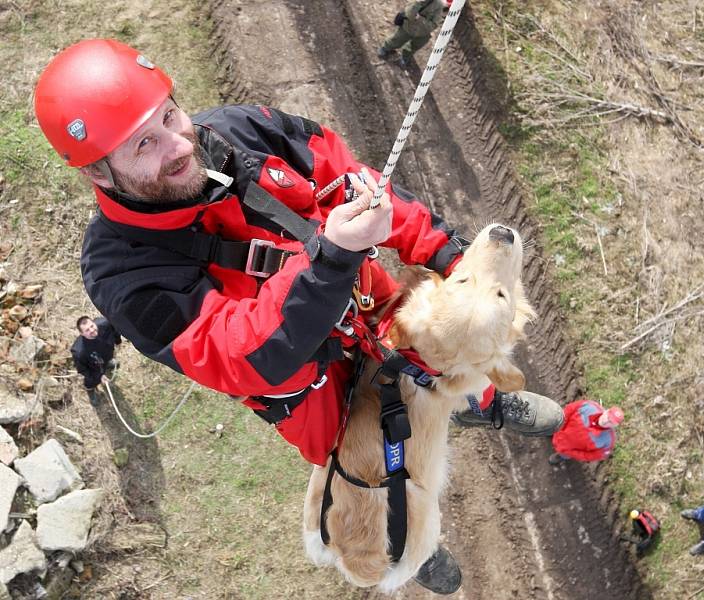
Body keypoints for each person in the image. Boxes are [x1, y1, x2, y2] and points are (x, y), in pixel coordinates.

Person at [34, 38, 560, 594]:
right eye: (144, 143)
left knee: (442, 354)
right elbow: (242, 353)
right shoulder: (121, 272)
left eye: (169, 115)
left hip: (368, 303)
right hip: (313, 390)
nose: (178, 144)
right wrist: (329, 256)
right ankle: (407, 543)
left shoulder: (245, 132)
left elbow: (348, 179)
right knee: (371, 475)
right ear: (99, 174)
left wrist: (445, 250)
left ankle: (483, 402)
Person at [377, 0, 450, 68]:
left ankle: (405, 57)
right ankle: (386, 47)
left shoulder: (439, 5)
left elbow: (434, 25)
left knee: (414, 46)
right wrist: (418, 3)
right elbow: (409, 13)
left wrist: (420, 19)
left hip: (422, 33)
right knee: (397, 38)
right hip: (408, 27)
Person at [548, 400, 624, 464]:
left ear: (615, 425)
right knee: (550, 429)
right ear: (606, 411)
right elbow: (569, 410)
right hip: (559, 430)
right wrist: (559, 425)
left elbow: (592, 456)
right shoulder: (588, 406)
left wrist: (571, 453)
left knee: (564, 455)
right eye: (607, 417)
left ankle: (560, 455)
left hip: (567, 450)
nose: (606, 421)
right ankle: (550, 433)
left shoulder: (607, 442)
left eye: (611, 422)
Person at [70, 315, 121, 407]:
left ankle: (108, 364)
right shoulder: (79, 351)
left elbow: (115, 330)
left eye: (92, 326)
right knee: (91, 381)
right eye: (87, 330)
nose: (92, 330)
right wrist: (99, 376)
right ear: (82, 334)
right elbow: (83, 370)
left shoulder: (105, 323)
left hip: (107, 355)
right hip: (93, 368)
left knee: (108, 359)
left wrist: (118, 341)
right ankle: (90, 389)